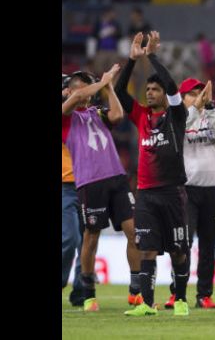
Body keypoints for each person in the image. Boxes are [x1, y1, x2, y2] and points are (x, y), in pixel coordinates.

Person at [117, 32, 192, 317]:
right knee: (146, 250)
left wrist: (151, 56)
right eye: (148, 89)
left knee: (178, 251)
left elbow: (172, 85)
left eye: (155, 90)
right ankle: (147, 304)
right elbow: (120, 92)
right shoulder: (141, 116)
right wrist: (132, 60)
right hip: (146, 194)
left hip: (173, 193)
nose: (149, 93)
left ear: (165, 96)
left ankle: (180, 299)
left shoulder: (177, 116)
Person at [62, 66, 142, 312]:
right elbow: (77, 97)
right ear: (68, 91)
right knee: (91, 236)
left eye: (89, 87)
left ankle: (136, 292)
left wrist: (108, 87)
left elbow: (117, 116)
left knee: (134, 233)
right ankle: (88, 295)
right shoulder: (66, 116)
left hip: (117, 178)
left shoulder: (97, 112)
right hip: (90, 182)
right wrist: (102, 81)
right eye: (81, 87)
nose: (86, 93)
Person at [162, 79, 215, 309]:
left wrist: (208, 108)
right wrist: (194, 108)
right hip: (187, 190)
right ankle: (177, 292)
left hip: (214, 189)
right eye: (192, 94)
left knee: (209, 245)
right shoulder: (175, 119)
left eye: (201, 92)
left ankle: (204, 295)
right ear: (182, 98)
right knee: (183, 243)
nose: (198, 96)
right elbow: (178, 130)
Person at [61, 76, 85, 307]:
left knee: (87, 242)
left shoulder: (84, 116)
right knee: (70, 238)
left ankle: (81, 289)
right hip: (65, 186)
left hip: (87, 184)